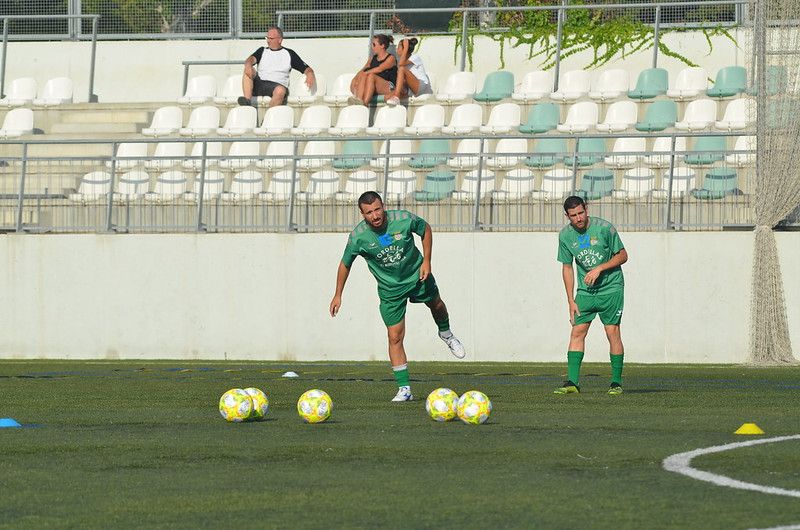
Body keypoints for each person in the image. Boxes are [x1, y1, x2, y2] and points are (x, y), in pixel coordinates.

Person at [329, 191, 466, 402]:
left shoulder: (402, 219)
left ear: (383, 206)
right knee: (394, 336)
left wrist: (427, 260)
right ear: (362, 214)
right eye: (369, 213)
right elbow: (345, 263)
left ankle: (446, 334)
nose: (375, 216)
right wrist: (338, 294)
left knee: (436, 305)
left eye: (377, 209)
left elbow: (425, 229)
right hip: (390, 289)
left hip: (417, 275)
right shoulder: (358, 237)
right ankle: (405, 389)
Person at [555, 196, 628, 395]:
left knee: (612, 332)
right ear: (567, 216)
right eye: (573, 216)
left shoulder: (605, 228)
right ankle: (572, 382)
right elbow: (567, 267)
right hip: (585, 291)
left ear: (586, 209)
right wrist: (570, 300)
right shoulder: (565, 236)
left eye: (580, 213)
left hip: (611, 288)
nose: (578, 218)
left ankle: (616, 383)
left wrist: (600, 268)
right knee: (577, 332)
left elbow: (623, 256)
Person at [239, 26, 315, 108]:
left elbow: (306, 68)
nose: (268, 41)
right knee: (248, 69)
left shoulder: (289, 54)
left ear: (280, 40)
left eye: (271, 38)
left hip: (277, 87)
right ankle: (247, 102)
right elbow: (250, 59)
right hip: (259, 84)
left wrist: (310, 73)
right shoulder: (262, 50)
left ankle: (268, 118)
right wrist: (248, 65)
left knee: (280, 90)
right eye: (267, 38)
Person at [349, 34, 397, 106]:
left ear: (382, 46)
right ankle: (359, 101)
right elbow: (363, 70)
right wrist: (355, 80)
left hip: (390, 87)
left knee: (370, 75)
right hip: (374, 85)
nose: (372, 47)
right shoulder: (372, 59)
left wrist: (364, 74)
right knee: (365, 75)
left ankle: (364, 104)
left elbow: (380, 69)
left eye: (374, 45)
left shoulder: (391, 58)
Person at [386, 37, 432, 106]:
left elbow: (401, 65)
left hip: (420, 86)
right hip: (411, 88)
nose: (396, 49)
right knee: (387, 97)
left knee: (401, 69)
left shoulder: (415, 57)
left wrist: (406, 48)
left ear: (405, 49)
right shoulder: (402, 60)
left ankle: (396, 96)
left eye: (399, 47)